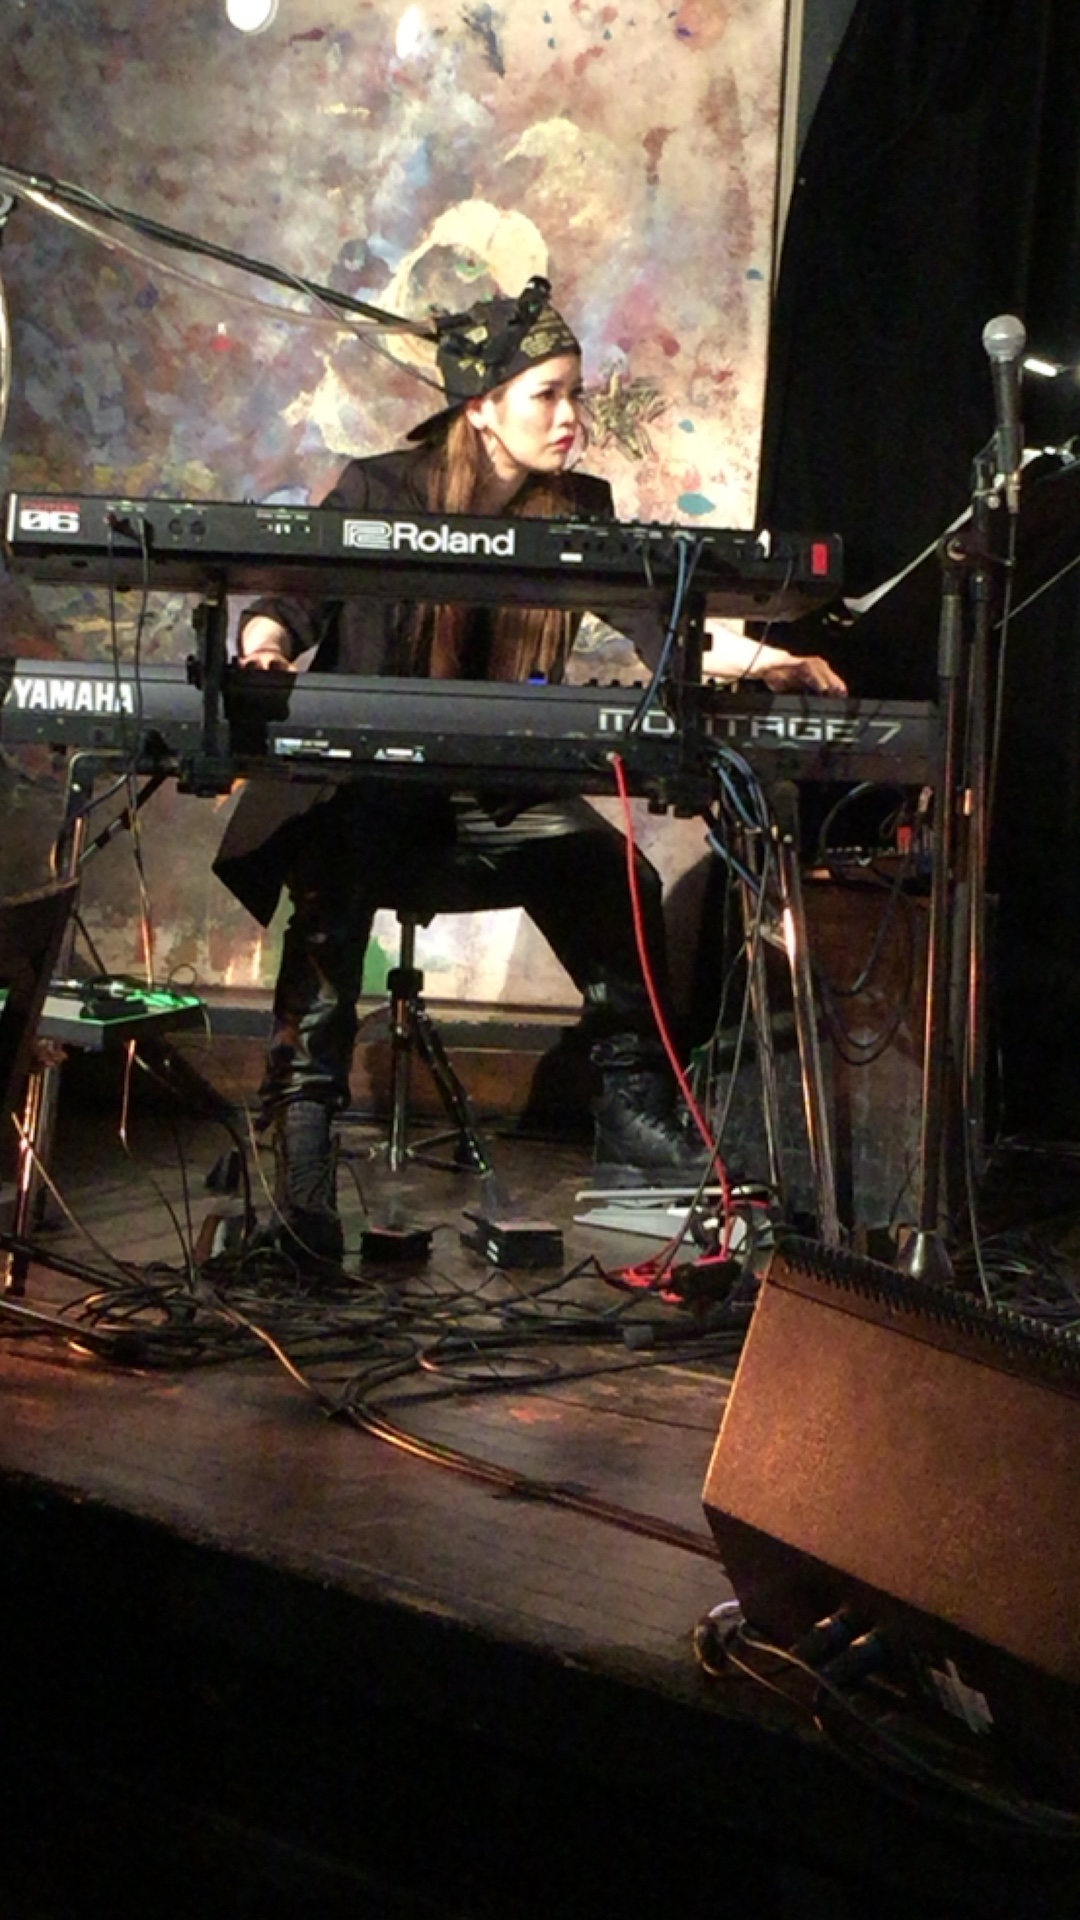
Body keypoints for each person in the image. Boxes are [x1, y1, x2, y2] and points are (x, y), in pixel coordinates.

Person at [213, 278, 846, 1269]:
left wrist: (771, 661)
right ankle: (300, 1153)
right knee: (333, 877)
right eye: (547, 394)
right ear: (481, 407)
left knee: (613, 872)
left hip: (491, 802)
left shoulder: (578, 510)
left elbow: (663, 632)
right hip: (371, 796)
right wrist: (262, 648)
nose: (569, 417)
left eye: (574, 394)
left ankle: (635, 1117)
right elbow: (290, 598)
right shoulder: (380, 489)